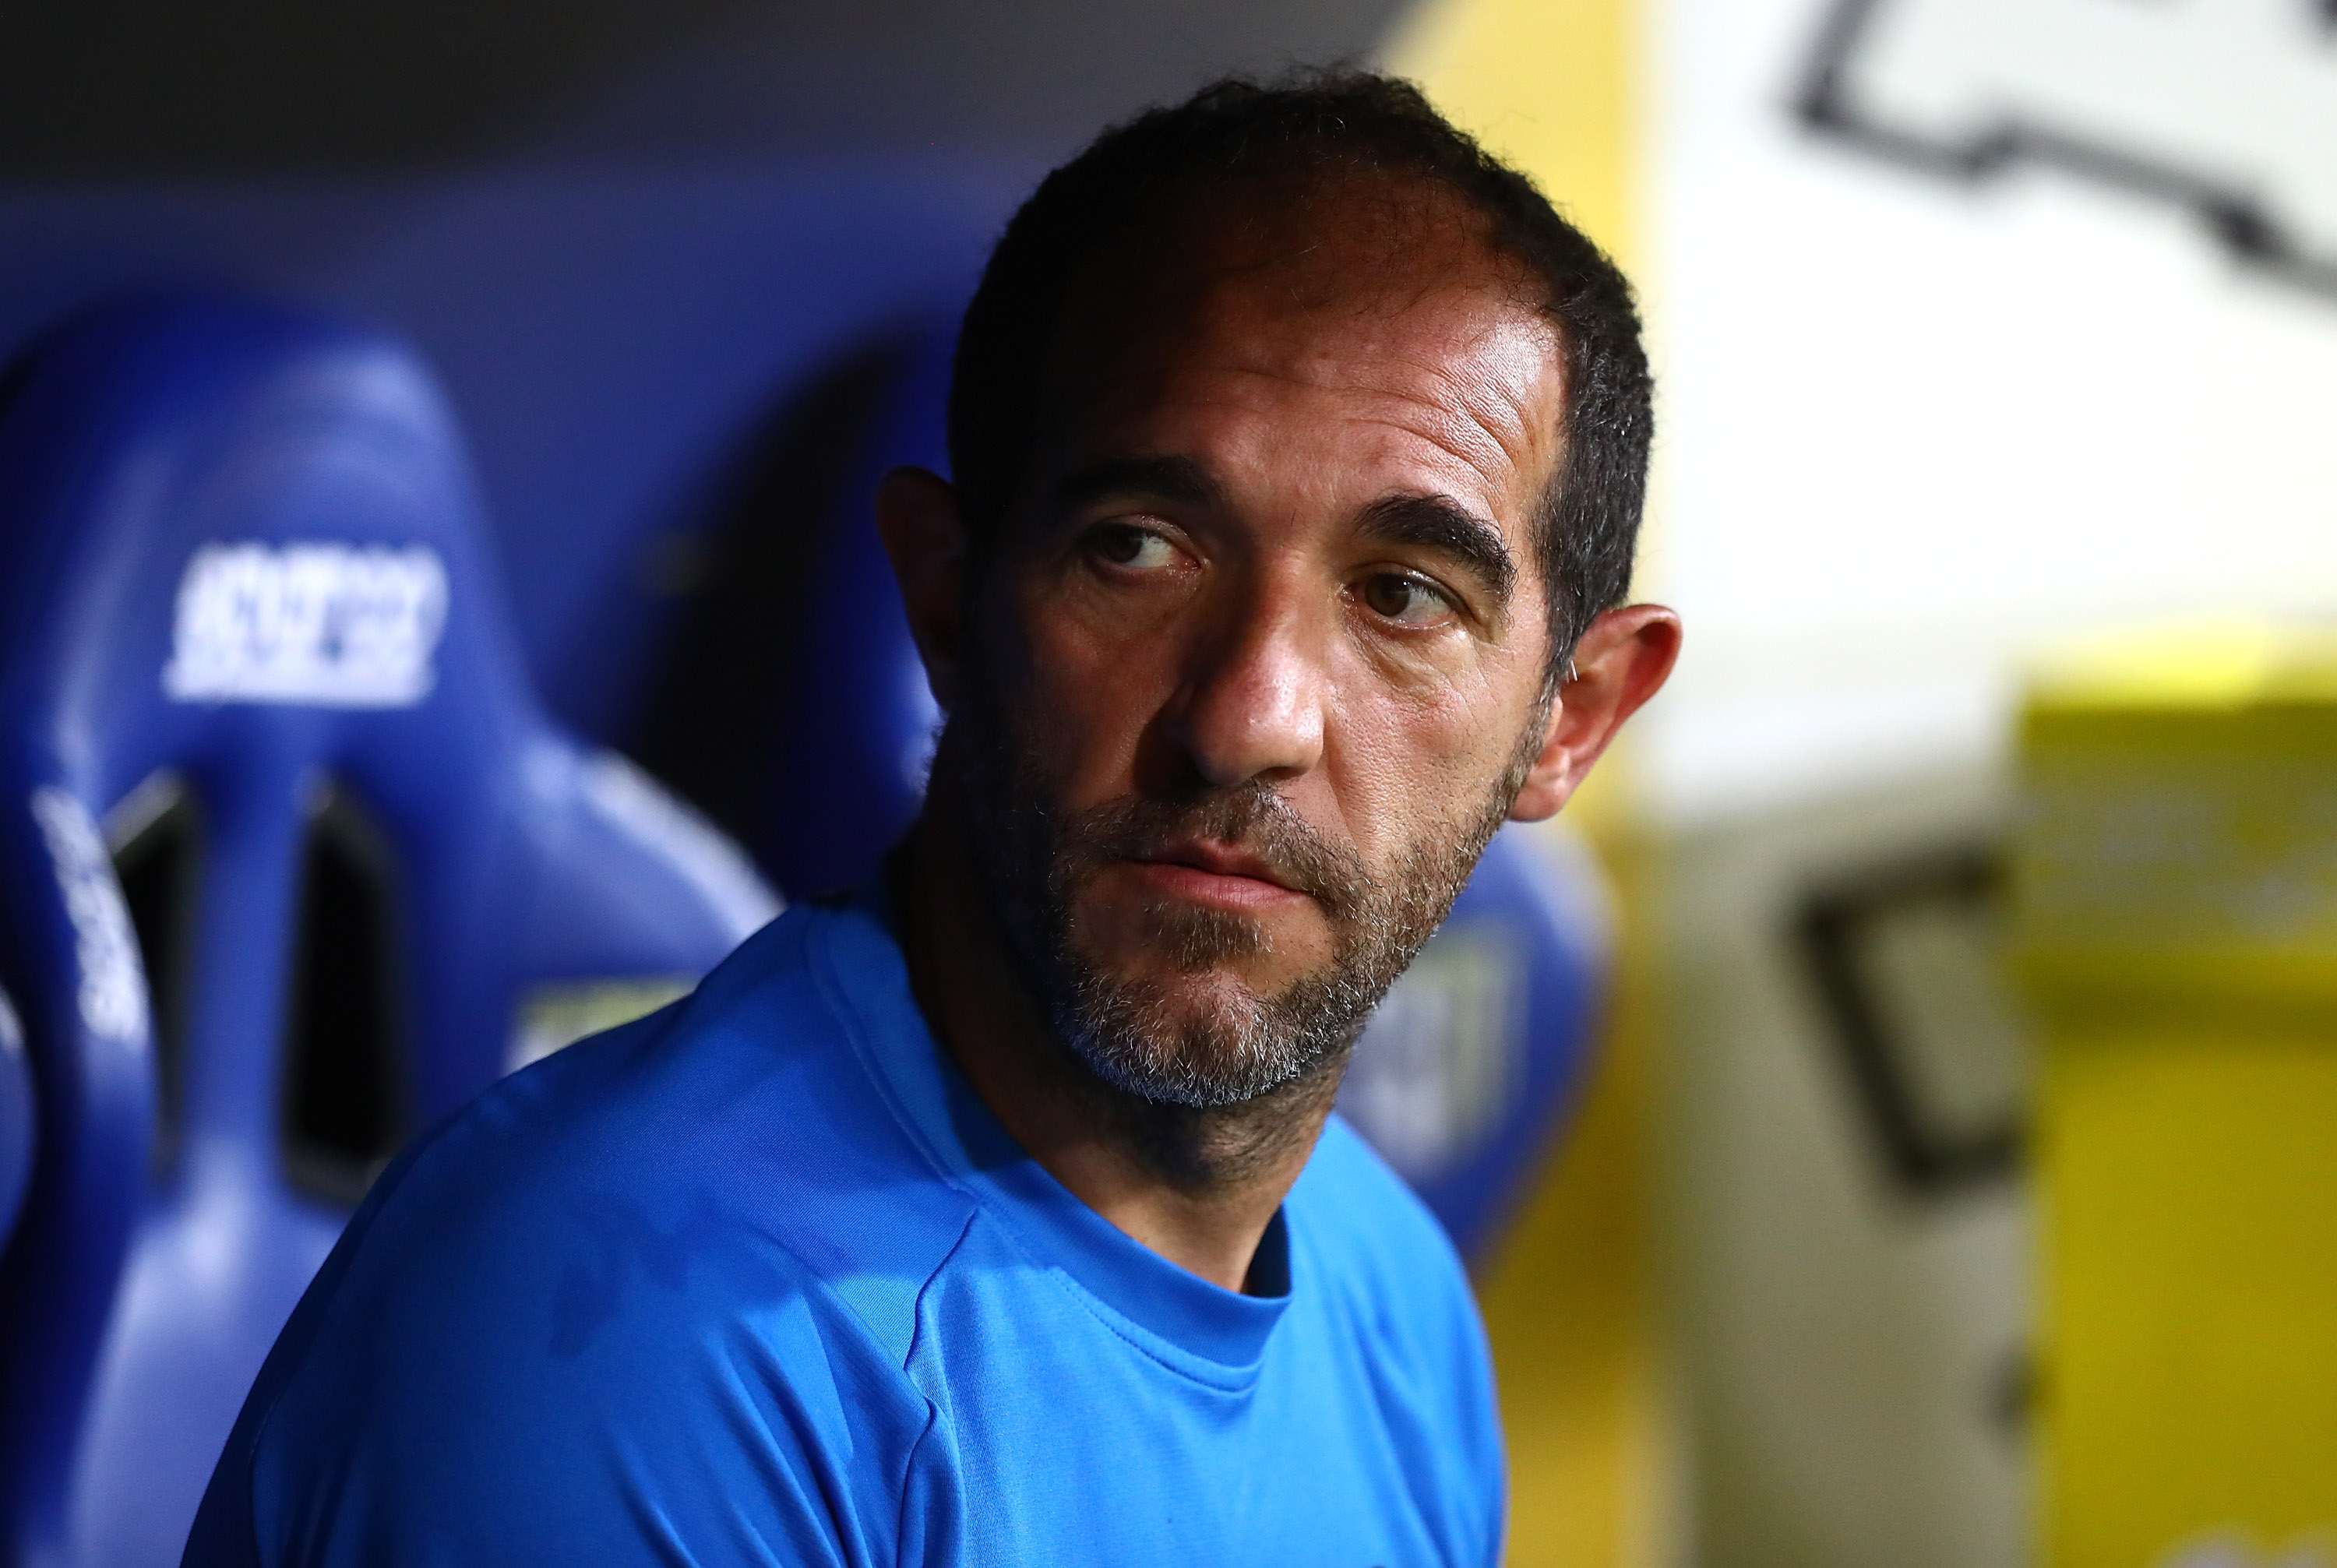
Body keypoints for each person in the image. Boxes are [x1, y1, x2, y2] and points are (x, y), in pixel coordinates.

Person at [185, 69, 1680, 1567]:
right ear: (948, 600)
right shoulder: (631, 1346)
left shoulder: (1393, 1297)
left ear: (1574, 716)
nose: (1249, 717)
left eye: (1404, 595)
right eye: (1139, 549)